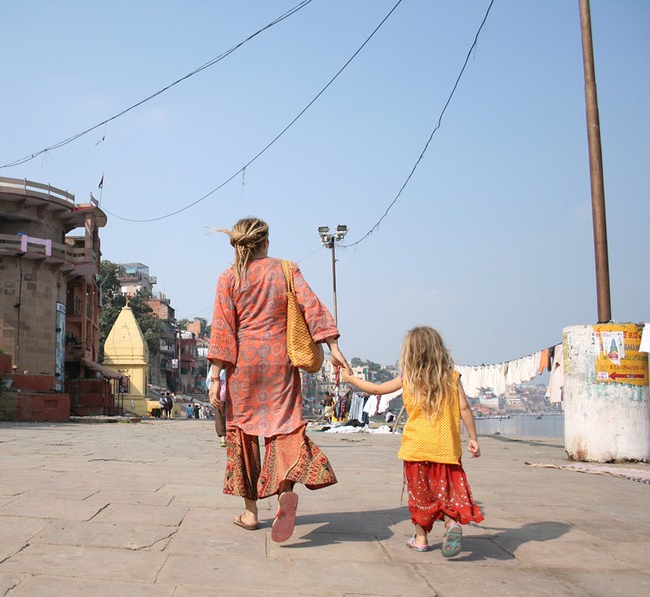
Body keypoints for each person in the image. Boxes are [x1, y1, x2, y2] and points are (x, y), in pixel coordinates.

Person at [207, 217, 350, 543]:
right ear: (265, 242)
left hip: (243, 368)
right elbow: (311, 306)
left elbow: (222, 330)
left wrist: (215, 377)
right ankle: (284, 492)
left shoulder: (228, 278)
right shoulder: (287, 269)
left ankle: (251, 513)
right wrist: (333, 347)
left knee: (242, 436)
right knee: (283, 430)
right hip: (280, 365)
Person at [344, 326, 483, 557]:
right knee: (446, 493)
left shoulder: (408, 378)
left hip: (416, 448)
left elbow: (377, 389)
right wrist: (473, 438)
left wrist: (350, 378)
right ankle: (451, 524)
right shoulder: (452, 377)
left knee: (420, 495)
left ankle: (420, 539)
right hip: (446, 449)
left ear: (409, 353)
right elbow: (464, 408)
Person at [207, 363, 227, 447]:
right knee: (221, 414)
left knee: (220, 415)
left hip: (220, 391)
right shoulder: (216, 365)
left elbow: (209, 381)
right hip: (222, 390)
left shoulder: (215, 365)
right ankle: (224, 437)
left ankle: (223, 438)